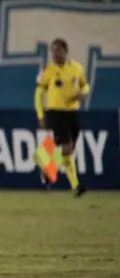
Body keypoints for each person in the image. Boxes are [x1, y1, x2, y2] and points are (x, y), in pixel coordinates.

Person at [35, 38, 88, 197]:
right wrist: (40, 114)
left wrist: (83, 93)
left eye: (57, 50)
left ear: (66, 51)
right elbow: (38, 93)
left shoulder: (77, 68)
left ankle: (47, 165)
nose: (55, 54)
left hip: (72, 113)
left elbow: (84, 84)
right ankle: (76, 186)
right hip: (55, 112)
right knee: (66, 146)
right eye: (53, 51)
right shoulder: (48, 71)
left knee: (68, 149)